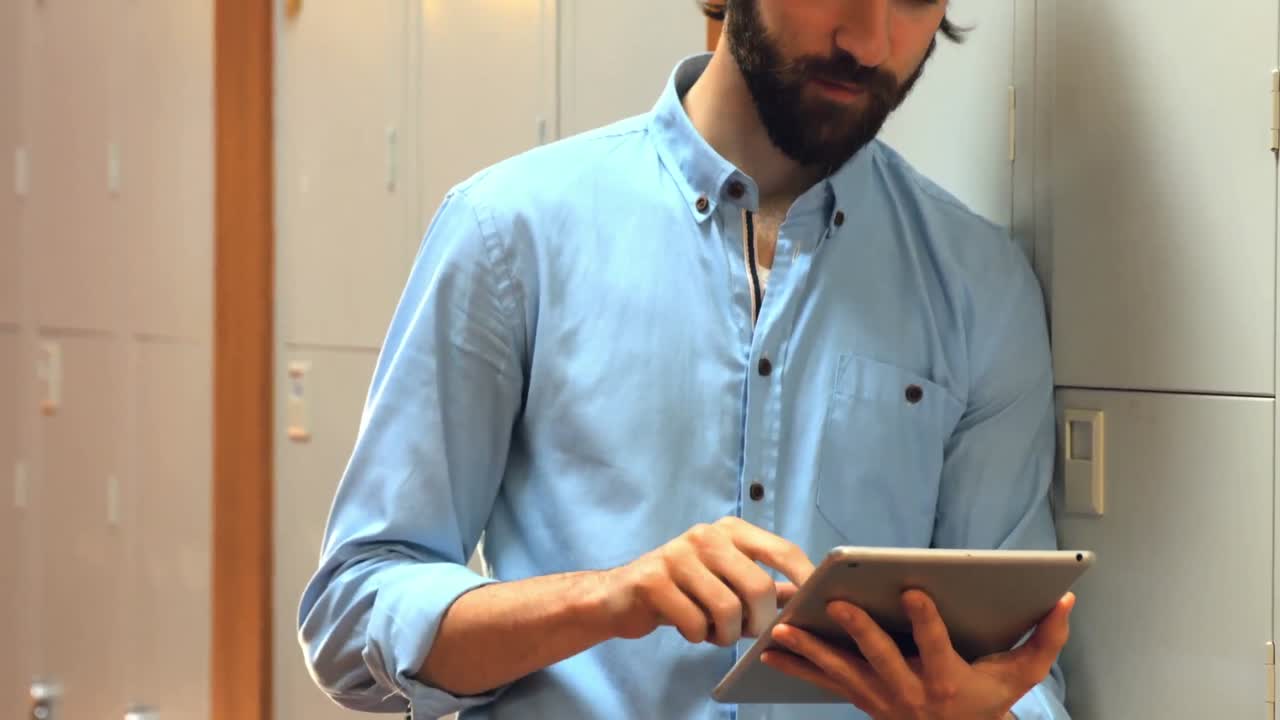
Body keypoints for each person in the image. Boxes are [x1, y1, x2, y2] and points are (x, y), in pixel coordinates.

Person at [298, 0, 1076, 718]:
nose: (868, 41)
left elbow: (1023, 669)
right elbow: (352, 612)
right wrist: (609, 600)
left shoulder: (981, 286)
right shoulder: (508, 233)